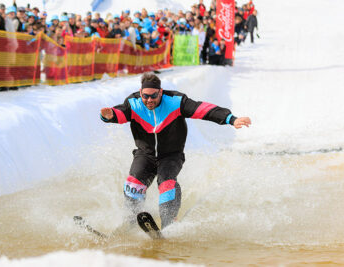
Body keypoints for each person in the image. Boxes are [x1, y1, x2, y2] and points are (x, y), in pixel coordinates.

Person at [100, 73, 251, 229]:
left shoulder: (176, 102)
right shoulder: (134, 103)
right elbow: (120, 113)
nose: (149, 100)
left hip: (171, 156)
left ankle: (169, 224)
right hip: (145, 155)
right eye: (145, 96)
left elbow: (203, 109)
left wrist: (231, 119)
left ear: (161, 92)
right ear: (140, 93)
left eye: (153, 96)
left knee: (167, 184)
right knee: (133, 184)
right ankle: (130, 224)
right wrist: (109, 116)